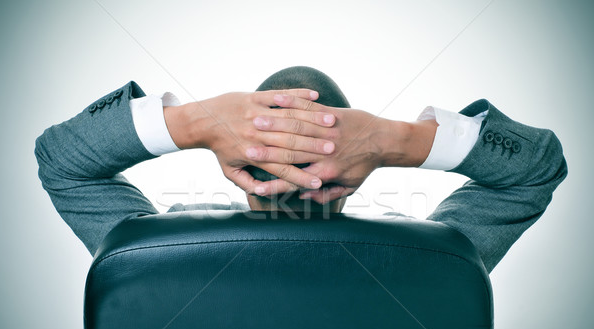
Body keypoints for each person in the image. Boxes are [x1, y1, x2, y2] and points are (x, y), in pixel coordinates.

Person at [35, 66, 567, 273]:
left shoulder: (152, 252)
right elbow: (538, 168)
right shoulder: (436, 260)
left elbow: (61, 161)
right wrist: (395, 139)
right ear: (349, 174)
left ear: (239, 165)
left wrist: (195, 122)